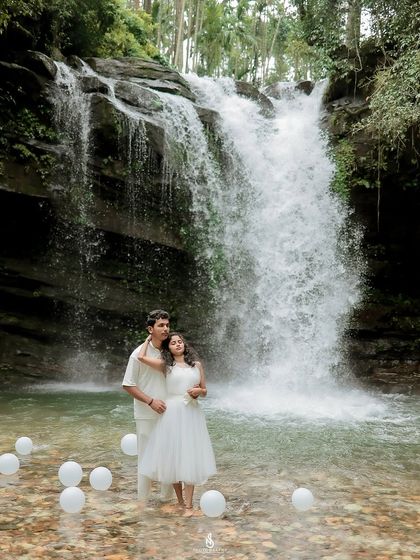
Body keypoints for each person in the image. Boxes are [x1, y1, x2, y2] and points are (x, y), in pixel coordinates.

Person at [137, 332, 217, 511]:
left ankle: (189, 505)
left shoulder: (197, 365)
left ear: (184, 345)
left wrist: (199, 392)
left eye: (180, 341)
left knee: (190, 455)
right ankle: (180, 501)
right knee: (172, 456)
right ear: (169, 348)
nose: (178, 344)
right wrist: (148, 339)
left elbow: (205, 390)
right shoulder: (166, 366)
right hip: (172, 412)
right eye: (173, 343)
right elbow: (141, 357)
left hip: (192, 412)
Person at [122, 309, 172, 501]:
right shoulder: (137, 354)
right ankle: (142, 503)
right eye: (161, 325)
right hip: (146, 413)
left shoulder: (171, 351)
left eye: (167, 325)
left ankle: (166, 500)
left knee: (169, 457)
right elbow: (127, 384)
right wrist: (150, 401)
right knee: (146, 459)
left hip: (170, 412)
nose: (165, 329)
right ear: (150, 329)